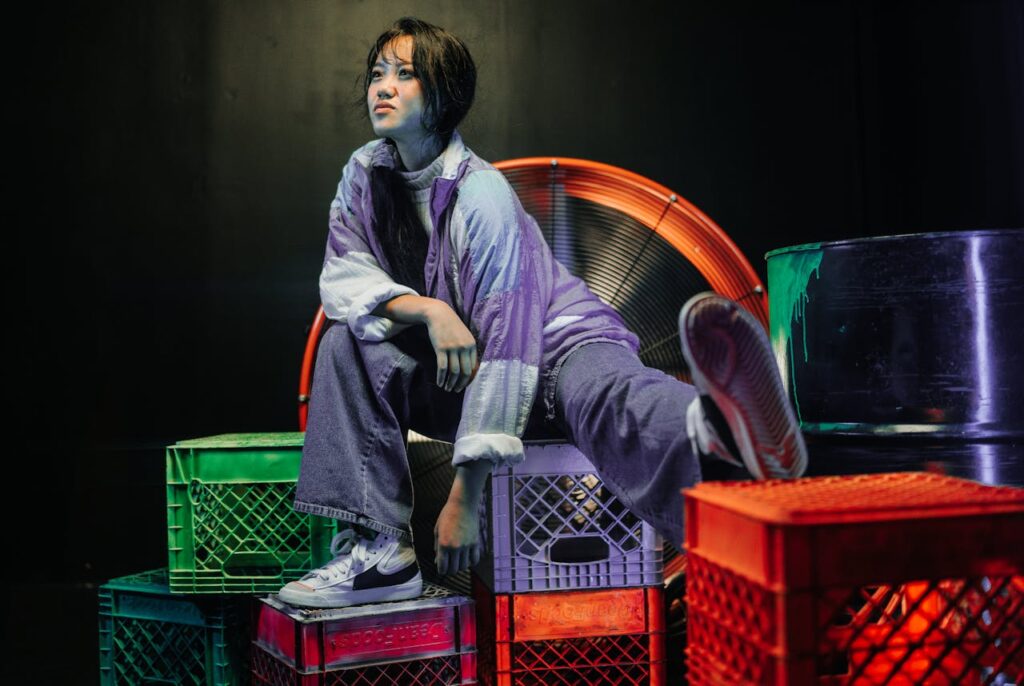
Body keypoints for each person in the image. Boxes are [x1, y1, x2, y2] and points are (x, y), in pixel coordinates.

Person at [278, 17, 806, 609]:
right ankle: (380, 556)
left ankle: (721, 437)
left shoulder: (482, 195)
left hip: (559, 350)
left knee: (609, 394)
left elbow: (508, 344)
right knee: (345, 343)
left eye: (406, 75)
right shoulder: (363, 177)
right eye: (378, 74)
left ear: (444, 95)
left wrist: (465, 497)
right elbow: (345, 279)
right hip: (470, 375)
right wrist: (428, 309)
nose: (383, 87)